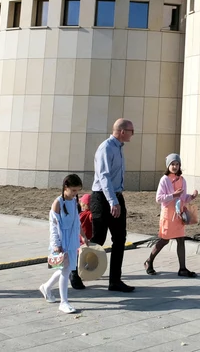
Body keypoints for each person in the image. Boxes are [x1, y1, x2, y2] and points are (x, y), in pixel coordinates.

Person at [88, 118, 135, 292]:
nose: (133, 134)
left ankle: (115, 280)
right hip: (102, 198)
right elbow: (104, 177)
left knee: (119, 239)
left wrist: (117, 199)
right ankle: (76, 273)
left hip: (116, 196)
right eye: (131, 130)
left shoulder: (119, 148)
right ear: (122, 131)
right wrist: (112, 201)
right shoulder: (106, 148)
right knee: (98, 239)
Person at [144, 153, 198, 278]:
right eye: (172, 164)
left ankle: (182, 269)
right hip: (168, 215)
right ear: (168, 166)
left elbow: (183, 197)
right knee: (164, 240)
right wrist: (173, 195)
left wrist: (191, 197)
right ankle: (149, 261)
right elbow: (158, 198)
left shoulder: (182, 180)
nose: (174, 166)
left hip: (179, 215)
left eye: (177, 164)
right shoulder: (164, 180)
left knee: (181, 240)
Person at [39, 174, 85, 314]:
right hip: (61, 241)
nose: (75, 194)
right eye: (73, 190)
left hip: (72, 241)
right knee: (65, 270)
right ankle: (63, 302)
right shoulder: (58, 203)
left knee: (66, 269)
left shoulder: (74, 202)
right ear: (66, 188)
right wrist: (56, 245)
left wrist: (83, 236)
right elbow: (53, 226)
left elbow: (77, 221)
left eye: (77, 191)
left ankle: (46, 287)